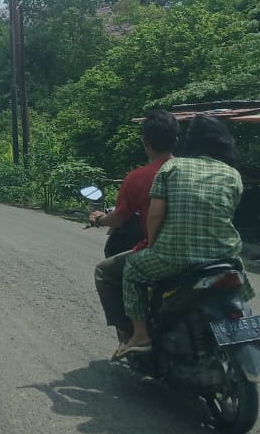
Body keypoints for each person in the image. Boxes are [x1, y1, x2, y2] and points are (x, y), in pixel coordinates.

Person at [114, 115, 251, 360]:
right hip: (224, 256)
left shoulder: (172, 167)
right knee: (239, 282)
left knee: (131, 270)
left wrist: (153, 246)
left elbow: (155, 214)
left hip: (175, 256)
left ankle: (140, 334)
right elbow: (229, 211)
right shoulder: (232, 174)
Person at [91, 110, 178, 344]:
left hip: (162, 249)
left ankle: (130, 334)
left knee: (104, 272)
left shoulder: (139, 177)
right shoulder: (187, 171)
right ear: (176, 141)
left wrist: (99, 219)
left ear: (145, 142)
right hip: (206, 250)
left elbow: (119, 218)